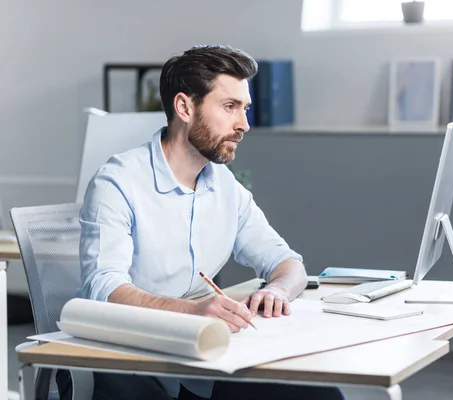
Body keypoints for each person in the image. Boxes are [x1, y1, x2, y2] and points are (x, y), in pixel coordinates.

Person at [56, 45, 345, 400]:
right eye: (229, 107)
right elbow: (105, 288)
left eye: (245, 109)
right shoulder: (118, 182)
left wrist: (277, 290)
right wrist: (192, 312)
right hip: (126, 363)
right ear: (184, 107)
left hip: (199, 360)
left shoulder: (224, 186)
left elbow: (287, 262)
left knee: (319, 394)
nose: (244, 125)